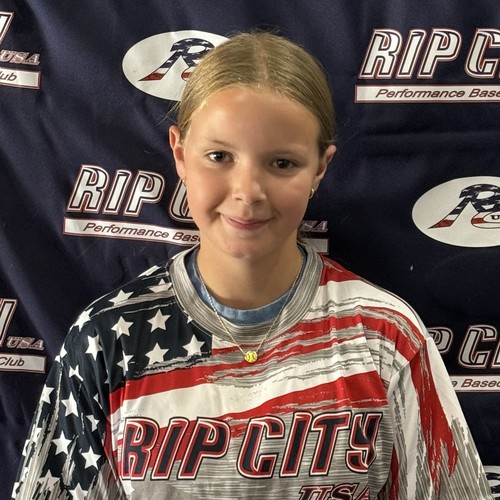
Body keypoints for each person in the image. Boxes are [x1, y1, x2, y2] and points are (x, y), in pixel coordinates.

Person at [13, 31, 492, 499]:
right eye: (219, 156)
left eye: (282, 163)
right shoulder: (107, 339)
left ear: (320, 168)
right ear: (180, 153)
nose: (247, 192)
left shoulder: (385, 337)